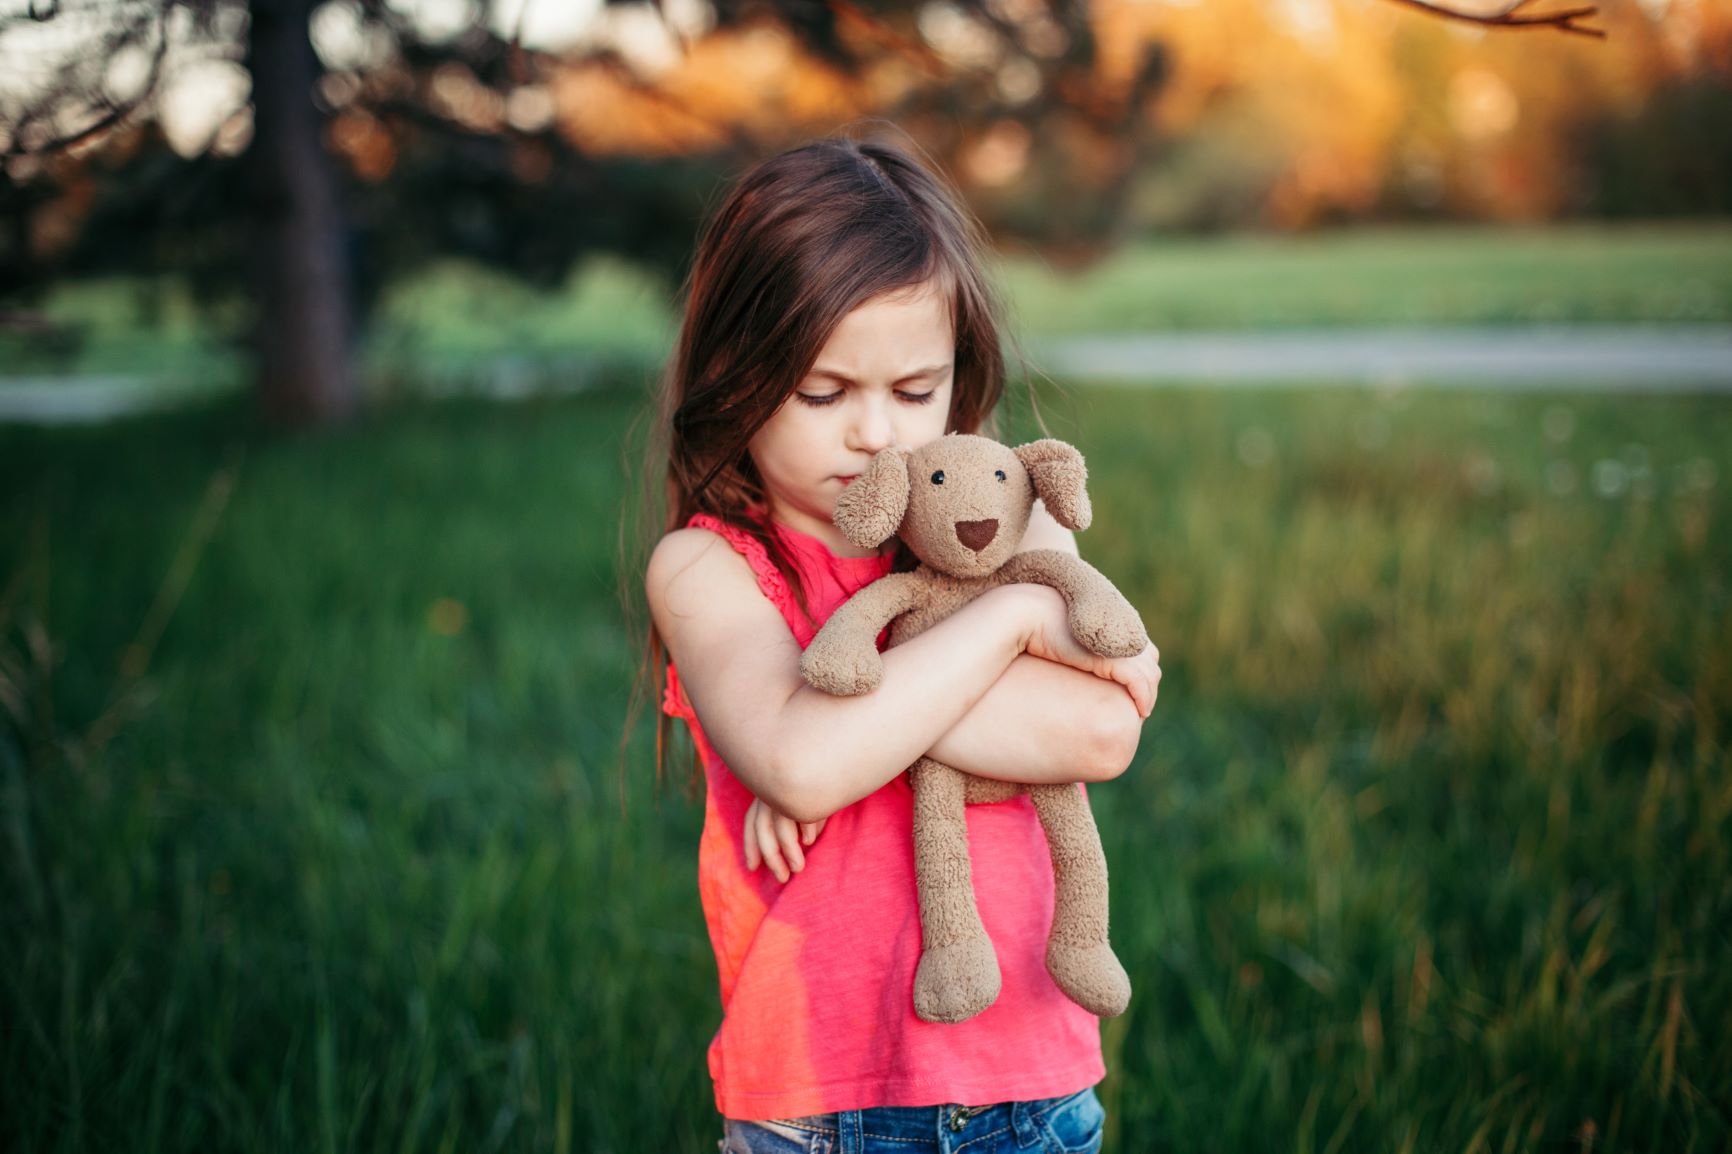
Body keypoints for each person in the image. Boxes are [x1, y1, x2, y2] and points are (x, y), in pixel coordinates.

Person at [640, 129, 1162, 1154]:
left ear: (959, 375)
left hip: (1031, 1087)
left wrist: (845, 732)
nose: (876, 433)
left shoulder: (1009, 519)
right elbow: (804, 765)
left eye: (915, 390)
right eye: (823, 393)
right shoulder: (708, 568)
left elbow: (1098, 732)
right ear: (736, 372)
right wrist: (1013, 624)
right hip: (818, 1107)